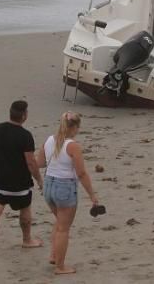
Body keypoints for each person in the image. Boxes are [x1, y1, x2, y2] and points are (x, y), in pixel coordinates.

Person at [37, 112, 98, 275]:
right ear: (75, 127)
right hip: (64, 187)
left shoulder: (50, 140)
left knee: (59, 222)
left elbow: (40, 163)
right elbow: (81, 173)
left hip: (49, 185)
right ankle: (60, 266)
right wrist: (92, 195)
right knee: (64, 228)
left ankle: (54, 255)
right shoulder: (73, 146)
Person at [0, 100, 43, 257]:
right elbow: (31, 162)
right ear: (24, 116)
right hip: (20, 184)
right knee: (25, 210)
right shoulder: (25, 136)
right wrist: (39, 180)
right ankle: (27, 239)